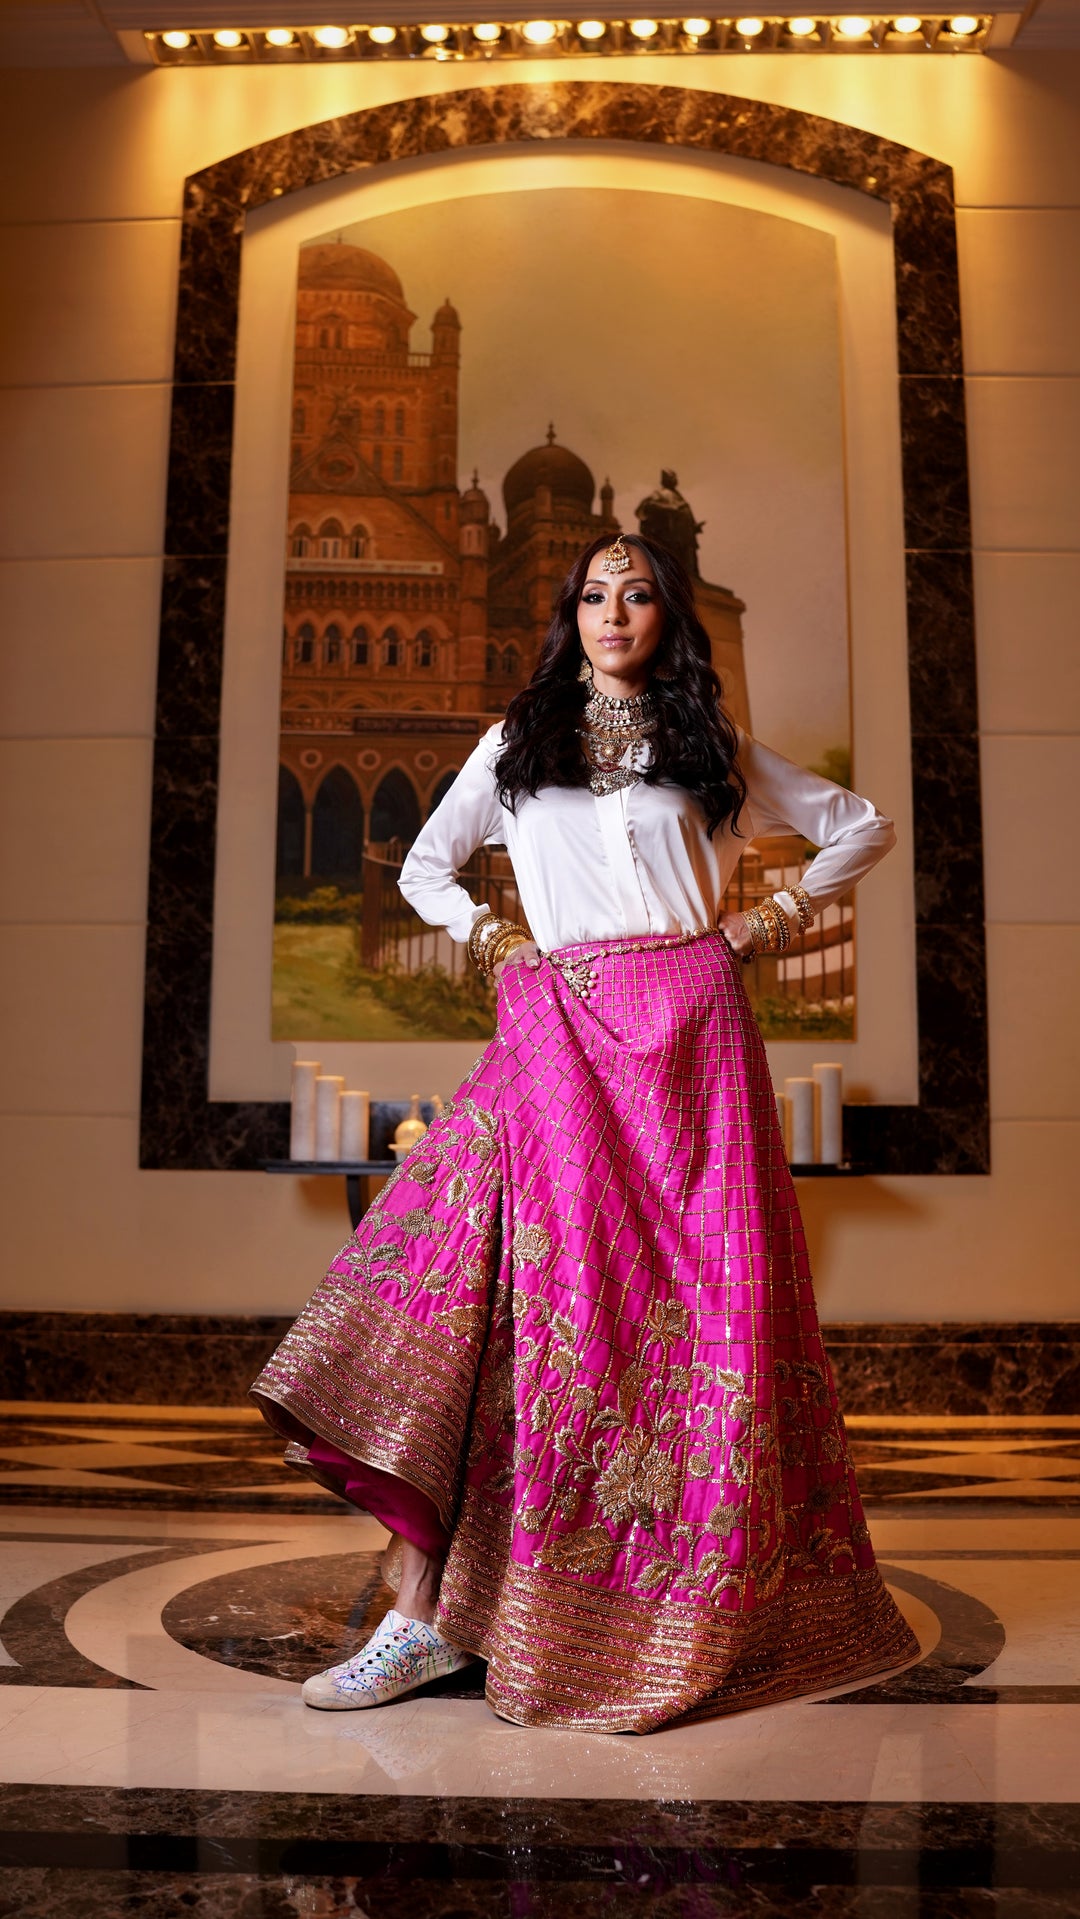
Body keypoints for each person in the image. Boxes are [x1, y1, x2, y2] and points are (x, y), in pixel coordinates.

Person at [251, 531, 919, 1733]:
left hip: (697, 1031)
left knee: (695, 1312)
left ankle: (680, 1601)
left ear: (667, 613)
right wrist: (507, 948)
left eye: (641, 591)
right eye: (596, 593)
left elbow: (859, 825)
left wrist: (757, 930)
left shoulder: (707, 746)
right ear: (572, 613)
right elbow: (425, 868)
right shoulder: (521, 744)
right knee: (505, 1299)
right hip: (557, 1019)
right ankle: (426, 1617)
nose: (617, 610)